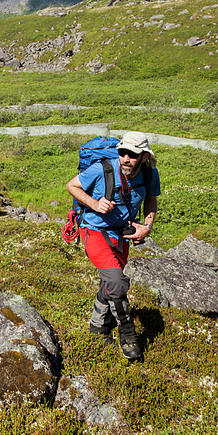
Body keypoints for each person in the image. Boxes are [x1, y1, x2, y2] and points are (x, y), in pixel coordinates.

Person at [65, 131, 160, 360]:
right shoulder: (102, 169)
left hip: (121, 235)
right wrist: (95, 204)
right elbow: (72, 186)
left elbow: (151, 199)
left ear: (144, 157)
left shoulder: (149, 174)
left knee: (110, 281)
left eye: (133, 154)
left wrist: (146, 226)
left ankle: (97, 327)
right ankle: (127, 334)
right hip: (94, 232)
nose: (126, 158)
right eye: (123, 153)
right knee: (116, 281)